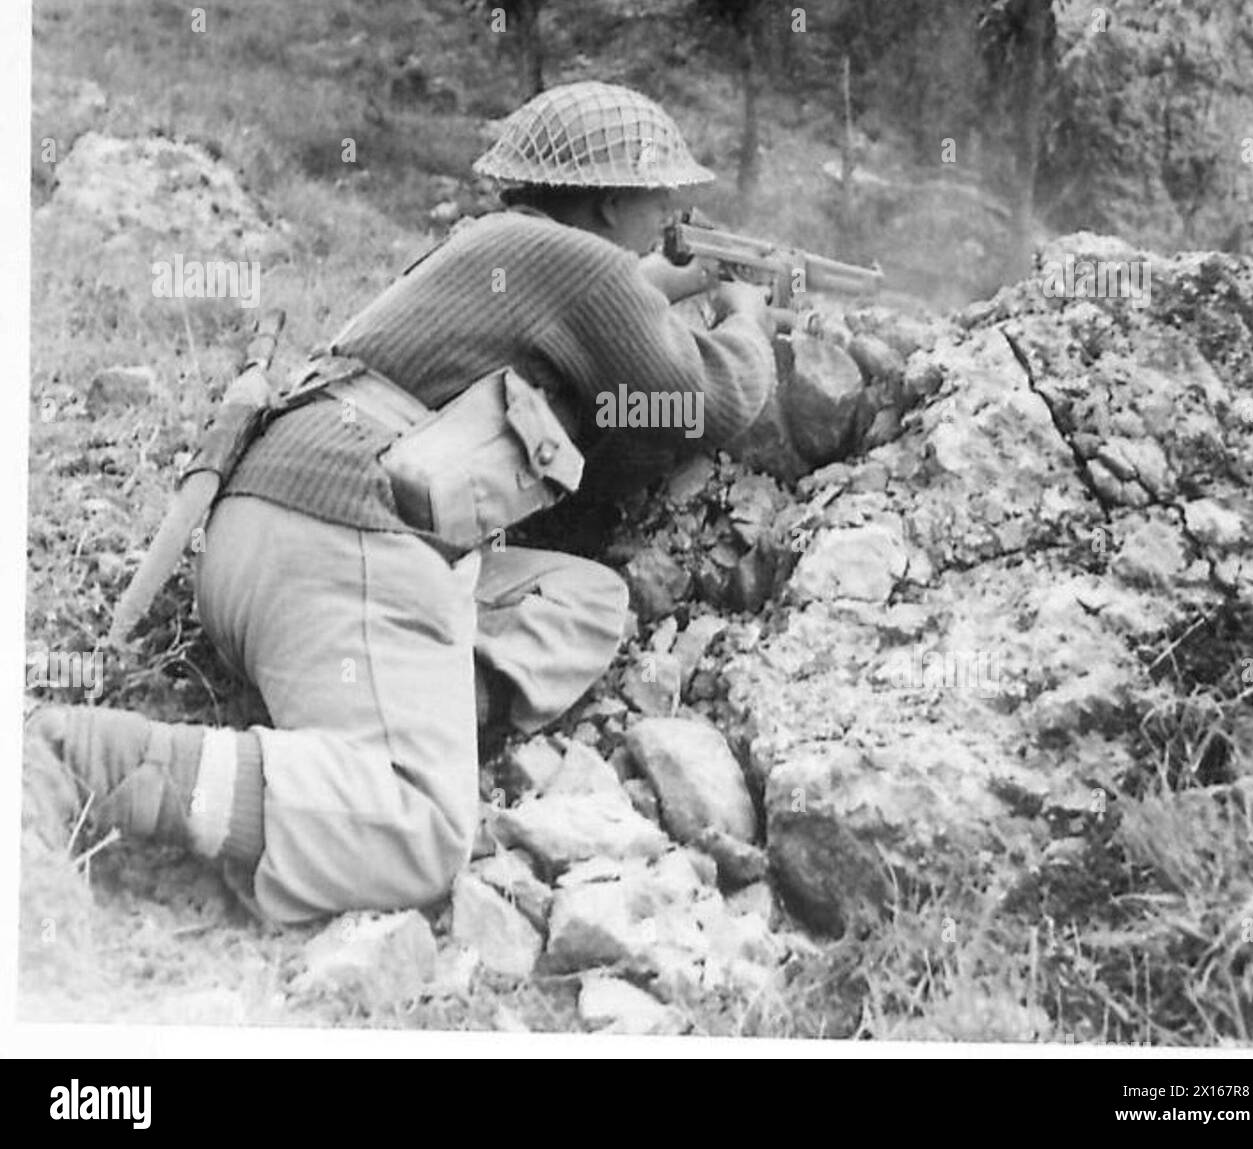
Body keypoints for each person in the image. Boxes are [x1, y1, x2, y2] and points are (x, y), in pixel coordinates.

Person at [24, 81, 776, 925]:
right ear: (609, 202)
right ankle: (83, 760)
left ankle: (403, 704)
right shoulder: (589, 267)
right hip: (342, 537)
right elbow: (709, 399)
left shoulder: (494, 247)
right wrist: (745, 318)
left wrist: (654, 294)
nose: (673, 216)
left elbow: (593, 388)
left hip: (262, 541)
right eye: (661, 198)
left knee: (584, 597)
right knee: (417, 825)